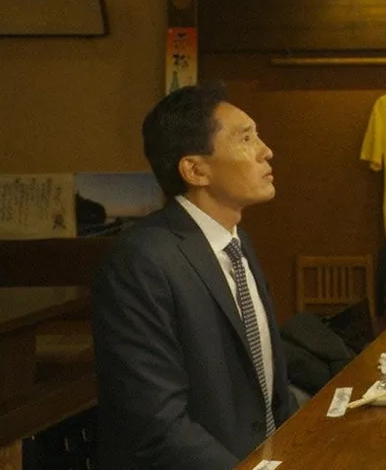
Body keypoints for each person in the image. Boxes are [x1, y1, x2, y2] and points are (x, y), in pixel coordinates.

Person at [93, 82, 294, 469]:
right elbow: (157, 424)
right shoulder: (141, 261)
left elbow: (267, 390)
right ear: (195, 169)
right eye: (246, 138)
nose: (266, 151)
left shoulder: (237, 243)